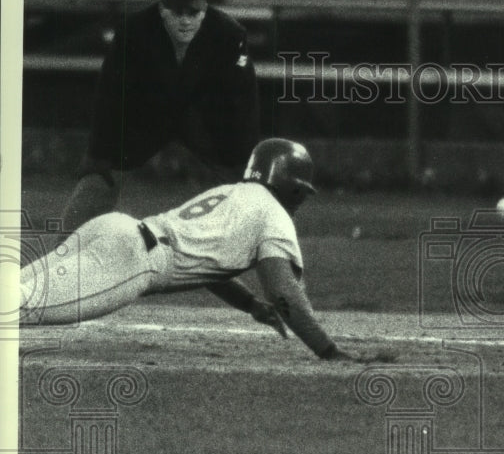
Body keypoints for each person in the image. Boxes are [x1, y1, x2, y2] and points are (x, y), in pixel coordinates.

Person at [21, 138, 346, 361]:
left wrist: (250, 305)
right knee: (19, 306)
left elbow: (207, 262)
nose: (301, 201)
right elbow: (283, 291)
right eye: (301, 191)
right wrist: (328, 351)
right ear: (292, 185)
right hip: (132, 258)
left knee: (18, 288)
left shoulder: (233, 193)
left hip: (112, 231)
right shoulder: (273, 215)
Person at [61, 0, 260, 233]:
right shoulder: (133, 30)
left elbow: (242, 100)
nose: (186, 20)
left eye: (194, 12)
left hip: (201, 113)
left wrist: (242, 157)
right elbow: (110, 93)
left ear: (206, 10)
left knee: (244, 184)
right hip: (147, 112)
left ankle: (251, 248)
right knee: (101, 174)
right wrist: (98, 153)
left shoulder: (230, 34)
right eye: (178, 12)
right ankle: (62, 250)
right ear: (161, 8)